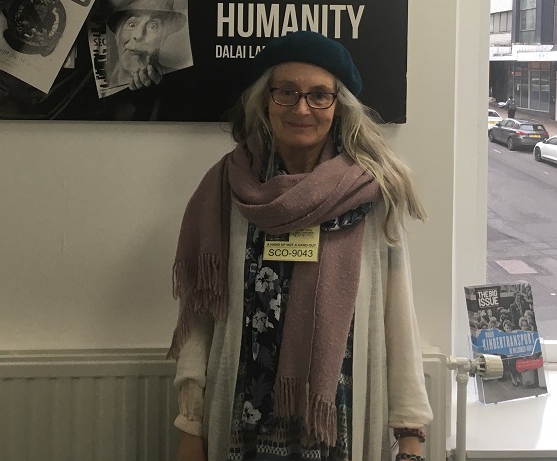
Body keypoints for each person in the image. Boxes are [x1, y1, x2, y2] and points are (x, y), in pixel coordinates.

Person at [168, 31, 432, 461]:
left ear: (338, 105)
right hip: (240, 417)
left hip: (335, 421)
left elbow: (397, 314)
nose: (302, 108)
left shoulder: (371, 194)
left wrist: (410, 433)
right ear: (265, 100)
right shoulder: (225, 188)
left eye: (319, 95)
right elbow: (201, 315)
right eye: (286, 92)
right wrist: (190, 426)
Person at [107, 0, 187, 91]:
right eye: (132, 24)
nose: (138, 35)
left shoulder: (179, 83)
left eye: (152, 26)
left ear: (163, 38)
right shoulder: (92, 85)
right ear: (117, 35)